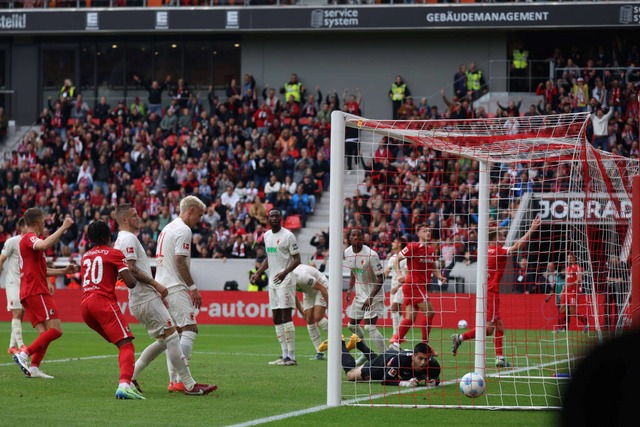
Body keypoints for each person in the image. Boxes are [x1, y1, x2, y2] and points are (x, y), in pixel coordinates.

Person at [115, 203, 217, 396]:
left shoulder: (163, 228)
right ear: (124, 219)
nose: (139, 217)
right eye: (135, 215)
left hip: (145, 295)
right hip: (150, 294)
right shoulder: (128, 238)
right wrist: (156, 284)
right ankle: (185, 383)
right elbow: (131, 268)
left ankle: (131, 376)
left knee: (166, 339)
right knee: (179, 334)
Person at [452, 216, 542, 368]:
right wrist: (532, 228)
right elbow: (518, 245)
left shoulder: (484, 250)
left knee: (499, 326)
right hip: (491, 292)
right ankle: (460, 338)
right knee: (488, 329)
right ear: (494, 238)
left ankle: (499, 358)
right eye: (500, 235)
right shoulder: (498, 251)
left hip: (485, 291)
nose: (503, 236)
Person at [79, 220, 144, 400]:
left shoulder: (85, 256)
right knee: (126, 345)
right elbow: (130, 282)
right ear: (109, 236)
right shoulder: (114, 253)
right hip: (103, 302)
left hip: (85, 306)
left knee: (120, 344)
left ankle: (128, 381)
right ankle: (124, 385)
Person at [12, 209, 78, 379]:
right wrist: (63, 227)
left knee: (45, 334)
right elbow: (44, 244)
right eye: (43, 221)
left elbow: (42, 270)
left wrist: (64, 270)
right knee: (56, 330)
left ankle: (34, 367)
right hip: (36, 290)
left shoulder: (31, 243)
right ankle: (24, 353)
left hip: (29, 291)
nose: (44, 225)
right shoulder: (29, 238)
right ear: (39, 222)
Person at [155, 195, 207, 391]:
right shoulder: (184, 230)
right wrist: (193, 289)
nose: (199, 221)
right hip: (175, 285)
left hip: (162, 284)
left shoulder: (167, 228)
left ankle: (173, 380)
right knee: (190, 329)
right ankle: (182, 381)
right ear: (191, 210)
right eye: (199, 216)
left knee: (173, 334)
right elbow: (179, 261)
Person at [251, 208, 301, 366]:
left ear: (281, 218)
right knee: (276, 318)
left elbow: (297, 259)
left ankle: (291, 356)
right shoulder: (266, 235)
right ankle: (284, 354)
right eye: (271, 215)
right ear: (268, 218)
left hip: (285, 281)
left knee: (286, 317)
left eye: (276, 215)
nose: (274, 218)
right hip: (273, 282)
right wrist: (259, 272)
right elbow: (269, 257)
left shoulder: (288, 236)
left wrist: (285, 272)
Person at [391, 225, 446, 348]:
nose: (428, 233)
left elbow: (433, 267)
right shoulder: (413, 247)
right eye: (424, 231)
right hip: (413, 285)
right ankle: (425, 344)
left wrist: (439, 276)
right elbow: (396, 260)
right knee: (430, 312)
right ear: (418, 234)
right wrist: (399, 274)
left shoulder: (432, 250)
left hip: (422, 285)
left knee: (410, 318)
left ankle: (395, 344)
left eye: (429, 231)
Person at [344, 228, 386, 356]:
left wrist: (371, 297)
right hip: (360, 294)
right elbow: (353, 270)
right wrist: (350, 289)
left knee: (369, 327)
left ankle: (386, 356)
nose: (355, 238)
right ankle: (366, 352)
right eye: (353, 235)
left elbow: (381, 277)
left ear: (363, 238)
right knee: (352, 325)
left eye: (358, 236)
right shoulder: (347, 252)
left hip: (374, 294)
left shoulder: (371, 255)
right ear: (349, 238)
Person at [342, 339, 440, 388]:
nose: (423, 363)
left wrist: (433, 382)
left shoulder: (434, 366)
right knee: (351, 375)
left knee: (378, 363)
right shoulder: (401, 361)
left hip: (393, 360)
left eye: (426, 359)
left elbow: (435, 379)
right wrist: (405, 383)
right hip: (383, 363)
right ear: (413, 357)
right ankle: (340, 342)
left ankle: (358, 343)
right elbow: (385, 381)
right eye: (420, 358)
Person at [292, 264, 329, 360]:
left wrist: (330, 306)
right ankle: (319, 352)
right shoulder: (286, 281)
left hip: (321, 287)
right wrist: (302, 313)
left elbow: (322, 288)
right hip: (308, 292)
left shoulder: (303, 277)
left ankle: (337, 337)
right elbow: (294, 297)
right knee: (309, 320)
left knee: (318, 317)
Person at [1, 218, 27, 355]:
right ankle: (21, 345)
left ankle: (12, 346)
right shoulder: (12, 241)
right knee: (17, 312)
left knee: (21, 314)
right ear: (21, 227)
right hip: (13, 282)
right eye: (28, 226)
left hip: (24, 283)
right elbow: (1, 259)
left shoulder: (31, 242)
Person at [556, 252, 589, 333]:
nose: (569, 259)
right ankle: (562, 328)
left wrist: (570, 284)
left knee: (572, 312)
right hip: (566, 291)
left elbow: (579, 280)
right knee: (561, 309)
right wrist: (562, 290)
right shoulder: (567, 268)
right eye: (568, 258)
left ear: (574, 258)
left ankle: (585, 323)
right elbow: (566, 281)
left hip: (573, 291)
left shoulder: (577, 268)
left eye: (570, 258)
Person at [383, 237, 407, 341]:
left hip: (402, 286)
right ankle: (402, 335)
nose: (392, 243)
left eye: (394, 241)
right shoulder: (392, 257)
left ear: (400, 244)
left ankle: (395, 334)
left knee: (394, 307)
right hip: (393, 287)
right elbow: (387, 272)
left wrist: (398, 287)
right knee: (398, 311)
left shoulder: (405, 258)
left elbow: (408, 274)